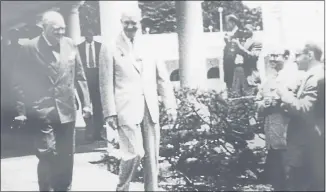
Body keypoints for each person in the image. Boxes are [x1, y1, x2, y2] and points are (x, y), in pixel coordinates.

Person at [99, 7, 177, 191]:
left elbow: (162, 78)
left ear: (140, 23)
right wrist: (110, 112)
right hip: (125, 109)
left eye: (134, 22)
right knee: (134, 153)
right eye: (126, 22)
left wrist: (170, 106)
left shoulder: (150, 45)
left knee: (152, 157)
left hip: (149, 108)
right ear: (121, 23)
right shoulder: (110, 46)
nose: (130, 26)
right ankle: (122, 187)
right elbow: (105, 83)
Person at [12, 11, 92, 191]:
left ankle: (64, 189)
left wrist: (87, 103)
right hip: (42, 111)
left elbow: (79, 76)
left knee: (66, 156)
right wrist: (22, 110)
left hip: (67, 110)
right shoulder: (29, 48)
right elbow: (18, 81)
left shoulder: (70, 45)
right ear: (44, 28)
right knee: (47, 154)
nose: (61, 33)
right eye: (56, 30)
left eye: (63, 29)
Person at [276, 42, 324, 191]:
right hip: (306, 143)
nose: (294, 60)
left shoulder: (316, 78)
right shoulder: (309, 76)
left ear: (309, 55)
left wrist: (284, 95)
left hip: (310, 145)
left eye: (297, 55)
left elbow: (304, 108)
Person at [256, 47, 300, 191]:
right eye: (271, 55)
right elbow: (258, 100)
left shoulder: (294, 76)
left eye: (277, 55)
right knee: (276, 177)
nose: (273, 59)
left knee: (288, 173)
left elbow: (296, 102)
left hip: (287, 133)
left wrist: (279, 102)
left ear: (286, 56)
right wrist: (263, 104)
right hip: (272, 136)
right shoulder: (269, 79)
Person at [77, 28, 106, 142]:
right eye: (87, 34)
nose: (89, 36)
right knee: (86, 105)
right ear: (84, 35)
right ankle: (89, 131)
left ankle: (97, 132)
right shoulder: (79, 47)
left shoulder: (100, 46)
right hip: (85, 78)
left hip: (97, 77)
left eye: (91, 33)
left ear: (94, 34)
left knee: (98, 106)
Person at [230, 24, 262, 96]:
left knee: (251, 99)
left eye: (247, 29)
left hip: (250, 76)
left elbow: (253, 56)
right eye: (243, 30)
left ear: (252, 30)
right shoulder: (240, 42)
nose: (244, 31)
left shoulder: (256, 43)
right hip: (238, 76)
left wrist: (239, 46)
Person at [1, 29, 22, 131]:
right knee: (10, 99)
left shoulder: (21, 49)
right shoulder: (7, 50)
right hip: (8, 77)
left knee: (18, 99)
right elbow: (4, 64)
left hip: (19, 77)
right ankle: (11, 120)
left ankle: (18, 119)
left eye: (15, 36)